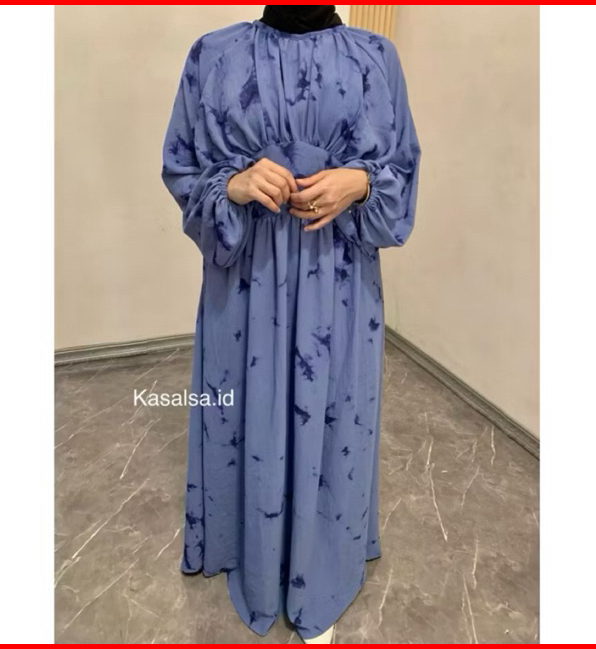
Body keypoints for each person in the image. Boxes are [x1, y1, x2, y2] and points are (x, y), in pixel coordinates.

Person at [161, 5, 421, 643]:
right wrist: (234, 184)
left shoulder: (376, 58)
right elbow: (181, 167)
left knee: (333, 411)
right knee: (243, 409)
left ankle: (320, 555)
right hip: (245, 284)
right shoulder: (213, 55)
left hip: (339, 281)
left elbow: (403, 169)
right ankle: (248, 547)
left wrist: (361, 182)